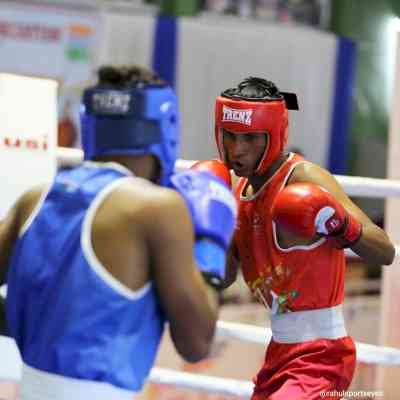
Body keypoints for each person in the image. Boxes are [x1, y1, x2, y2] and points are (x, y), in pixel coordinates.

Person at [0, 65, 237, 400]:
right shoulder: (157, 209)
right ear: (165, 130)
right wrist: (210, 243)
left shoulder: (35, 198)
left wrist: (46, 323)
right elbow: (196, 343)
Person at [214, 76, 395, 399]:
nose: (236, 149)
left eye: (250, 138)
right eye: (230, 136)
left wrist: (342, 226)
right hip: (279, 353)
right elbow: (224, 277)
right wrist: (208, 229)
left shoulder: (303, 178)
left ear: (273, 134)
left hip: (321, 356)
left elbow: (384, 250)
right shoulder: (238, 188)